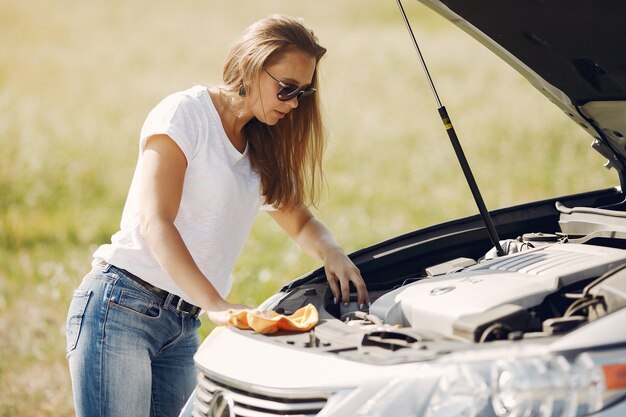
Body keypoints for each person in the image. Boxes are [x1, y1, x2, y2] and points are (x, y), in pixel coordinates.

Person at [65, 14, 369, 417]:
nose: (294, 103)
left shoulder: (261, 146)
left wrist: (332, 251)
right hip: (123, 309)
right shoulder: (185, 114)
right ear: (250, 65)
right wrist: (216, 304)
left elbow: (300, 221)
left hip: (183, 327)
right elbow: (155, 221)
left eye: (304, 92)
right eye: (287, 89)